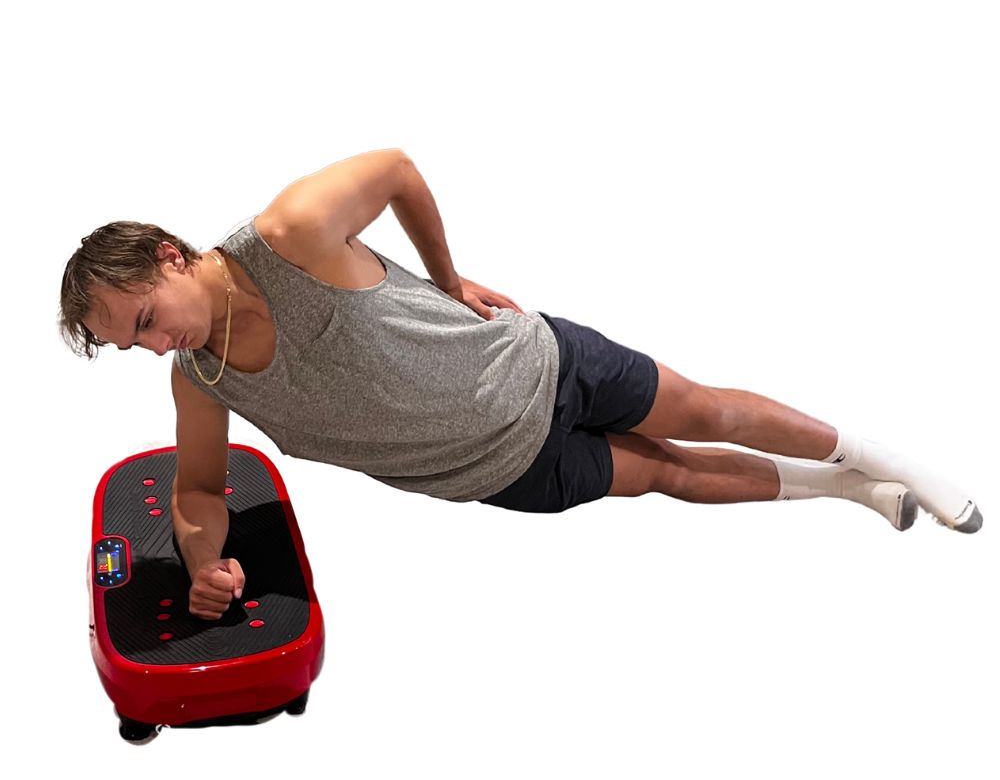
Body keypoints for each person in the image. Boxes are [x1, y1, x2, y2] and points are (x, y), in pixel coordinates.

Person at [59, 149, 982, 618]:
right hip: (502, 470)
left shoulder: (290, 232)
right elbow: (196, 490)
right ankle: (851, 493)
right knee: (666, 473)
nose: (149, 348)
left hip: (537, 362)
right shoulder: (203, 379)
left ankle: (882, 457)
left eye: (141, 320)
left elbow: (396, 168)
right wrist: (201, 559)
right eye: (125, 346)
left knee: (705, 408)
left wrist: (448, 278)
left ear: (171, 257)